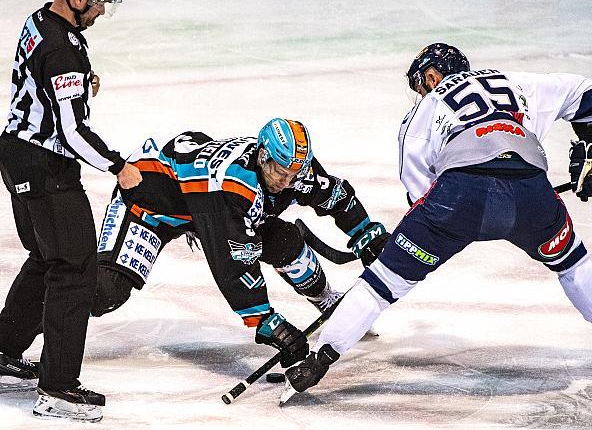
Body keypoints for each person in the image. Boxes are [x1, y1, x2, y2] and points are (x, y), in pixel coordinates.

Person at [284, 43, 592, 395]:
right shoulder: (512, 81)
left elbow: (420, 196)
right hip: (530, 192)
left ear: (431, 76)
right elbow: (584, 93)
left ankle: (318, 363)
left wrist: (402, 247)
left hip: (457, 201)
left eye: (421, 81)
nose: (422, 90)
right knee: (570, 261)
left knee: (381, 285)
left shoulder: (422, 111)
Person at [90, 118, 388, 364]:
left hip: (205, 207)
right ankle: (50, 324)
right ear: (262, 156)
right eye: (280, 173)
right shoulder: (233, 186)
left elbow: (333, 195)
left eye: (294, 174)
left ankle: (326, 299)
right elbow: (232, 264)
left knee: (284, 241)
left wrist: (364, 232)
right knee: (106, 292)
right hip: (150, 207)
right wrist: (268, 323)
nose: (286, 182)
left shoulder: (292, 168)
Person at [0, 0, 141, 422]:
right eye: (99, 3)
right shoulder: (64, 50)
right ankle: (58, 389)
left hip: (16, 155)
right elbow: (72, 131)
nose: (101, 12)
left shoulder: (41, 23)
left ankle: (2, 350)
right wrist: (119, 167)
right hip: (46, 170)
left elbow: (43, 84)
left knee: (46, 256)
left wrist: (78, 86)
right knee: (75, 268)